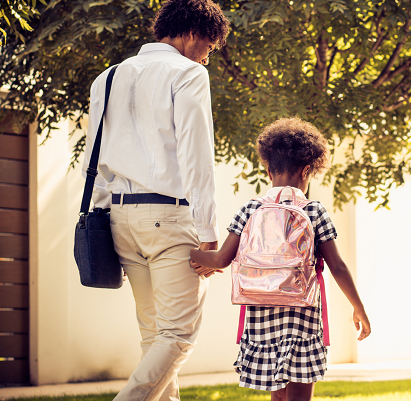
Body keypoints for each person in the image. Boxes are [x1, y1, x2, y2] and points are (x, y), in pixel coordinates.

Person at [81, 1, 229, 399]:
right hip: (169, 216)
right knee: (179, 335)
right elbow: (197, 159)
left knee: (154, 337)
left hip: (118, 217)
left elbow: (92, 159)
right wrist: (208, 232)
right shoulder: (188, 73)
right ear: (194, 34)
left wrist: (101, 216)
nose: (207, 57)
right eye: (210, 48)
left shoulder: (107, 78)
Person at [190, 117, 371, 401]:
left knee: (278, 397)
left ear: (267, 168)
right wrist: (358, 307)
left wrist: (188, 254)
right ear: (308, 170)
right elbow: (337, 266)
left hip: (263, 321)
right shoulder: (314, 211)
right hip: (302, 320)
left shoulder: (250, 208)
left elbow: (222, 259)